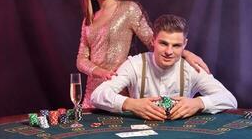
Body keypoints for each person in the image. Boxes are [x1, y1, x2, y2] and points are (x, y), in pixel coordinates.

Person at [76, 0, 210, 108]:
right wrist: (100, 72)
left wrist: (185, 54)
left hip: (117, 89)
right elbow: (81, 59)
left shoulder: (129, 9)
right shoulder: (88, 20)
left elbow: (153, 42)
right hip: (91, 93)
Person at [91, 14, 237, 120]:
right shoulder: (134, 65)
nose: (169, 51)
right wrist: (130, 104)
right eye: (163, 43)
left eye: (176, 45)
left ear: (184, 44)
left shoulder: (192, 68)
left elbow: (230, 100)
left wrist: (198, 103)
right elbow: (97, 95)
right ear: (153, 40)